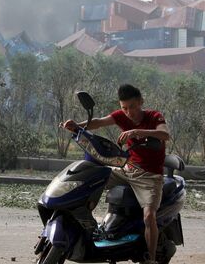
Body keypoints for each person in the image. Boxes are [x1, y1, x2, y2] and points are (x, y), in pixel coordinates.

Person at [60, 84, 170, 264]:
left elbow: (165, 134)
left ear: (141, 102)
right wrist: (76, 126)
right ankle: (91, 227)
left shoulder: (154, 116)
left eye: (132, 107)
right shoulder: (120, 116)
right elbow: (99, 122)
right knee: (91, 179)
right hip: (127, 170)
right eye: (124, 108)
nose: (128, 112)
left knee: (149, 215)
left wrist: (136, 132)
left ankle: (150, 259)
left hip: (150, 177)